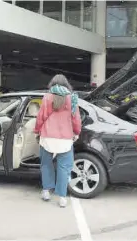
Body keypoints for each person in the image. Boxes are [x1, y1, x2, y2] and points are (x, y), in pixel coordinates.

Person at [34, 74, 82, 208]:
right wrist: (76, 132)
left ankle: (46, 191)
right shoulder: (72, 98)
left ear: (52, 83)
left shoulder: (47, 97)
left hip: (47, 136)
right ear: (66, 84)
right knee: (64, 167)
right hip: (65, 138)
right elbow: (76, 119)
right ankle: (62, 198)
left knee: (46, 164)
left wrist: (37, 130)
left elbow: (41, 117)